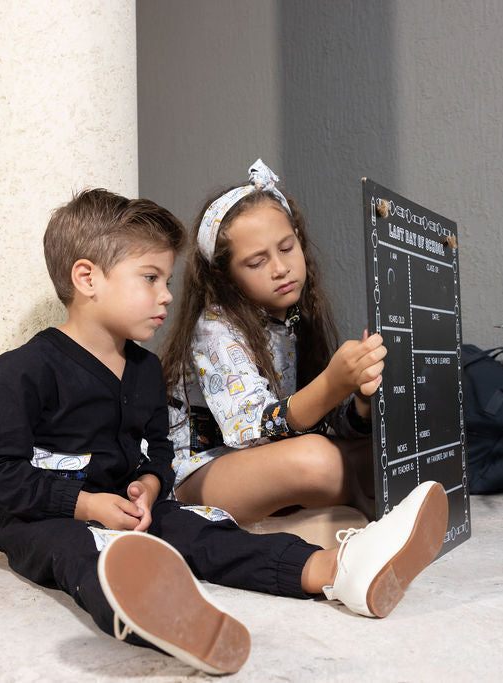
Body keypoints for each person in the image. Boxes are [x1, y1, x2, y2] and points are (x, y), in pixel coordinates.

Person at [0, 188, 449, 676]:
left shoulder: (144, 369)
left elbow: (157, 449)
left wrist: (151, 485)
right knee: (79, 553)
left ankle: (336, 570)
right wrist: (85, 506)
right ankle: (164, 615)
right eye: (151, 279)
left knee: (208, 536)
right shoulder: (21, 370)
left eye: (168, 279)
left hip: (136, 511)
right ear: (87, 278)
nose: (167, 295)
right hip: (45, 519)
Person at [160, 159, 386, 525]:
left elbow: (320, 422)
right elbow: (256, 434)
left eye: (286, 248)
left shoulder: (292, 319)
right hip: (196, 473)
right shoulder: (214, 327)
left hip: (266, 462)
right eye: (256, 262)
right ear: (225, 276)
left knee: (378, 448)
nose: (280, 268)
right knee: (316, 460)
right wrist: (331, 383)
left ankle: (334, 507)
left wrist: (360, 397)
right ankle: (356, 507)